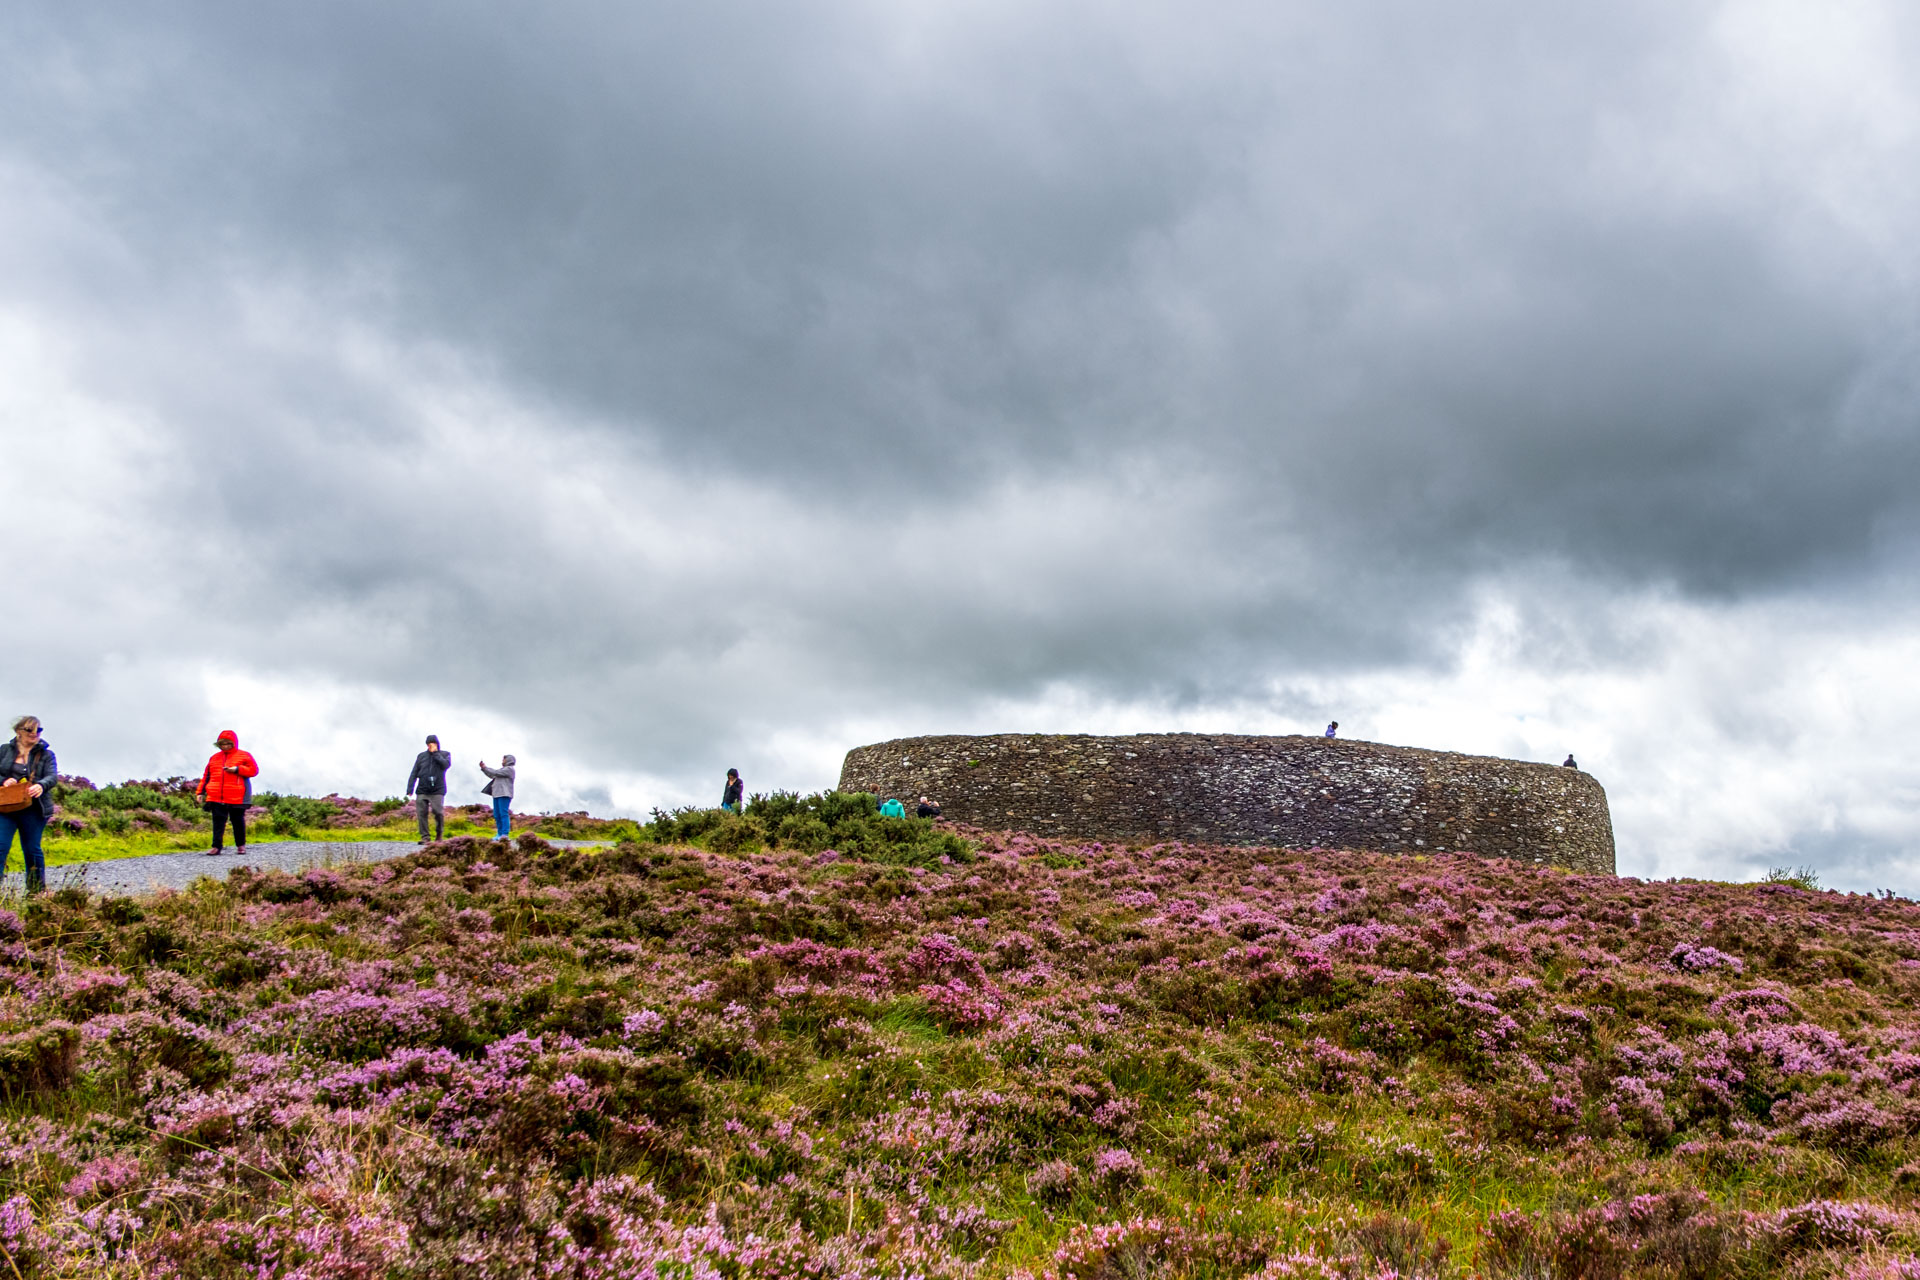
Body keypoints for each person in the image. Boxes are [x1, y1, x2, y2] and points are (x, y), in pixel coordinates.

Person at [0, 716, 57, 894]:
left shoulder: (47, 755)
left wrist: (41, 785)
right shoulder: (4, 750)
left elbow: (52, 777)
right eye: (30, 730)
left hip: (34, 809)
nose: (35, 734)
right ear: (19, 731)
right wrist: (3, 781)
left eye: (38, 730)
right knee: (0, 846)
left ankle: (36, 893)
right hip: (5, 807)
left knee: (32, 849)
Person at [195, 729, 259, 856]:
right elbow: (207, 776)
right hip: (216, 795)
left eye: (228, 744)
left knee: (237, 820)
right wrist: (200, 792)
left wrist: (237, 769)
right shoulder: (214, 758)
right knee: (218, 821)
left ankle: (241, 845)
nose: (225, 746)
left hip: (237, 795)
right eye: (222, 744)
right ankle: (216, 847)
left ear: (233, 743)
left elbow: (254, 771)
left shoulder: (244, 756)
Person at [407, 734, 453, 843]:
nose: (430, 746)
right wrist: (410, 788)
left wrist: (435, 753)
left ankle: (439, 836)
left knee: (438, 812)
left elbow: (446, 765)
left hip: (438, 790)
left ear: (437, 744)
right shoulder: (421, 756)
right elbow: (414, 772)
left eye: (432, 744)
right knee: (421, 813)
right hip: (422, 789)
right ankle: (425, 837)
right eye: (428, 744)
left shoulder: (445, 754)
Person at [480, 755, 516, 840]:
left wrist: (485, 767)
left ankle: (504, 834)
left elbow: (494, 772)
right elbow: (491, 775)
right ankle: (499, 834)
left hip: (504, 794)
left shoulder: (509, 769)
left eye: (503, 759)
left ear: (508, 760)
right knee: (497, 814)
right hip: (496, 794)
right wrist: (484, 769)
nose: (502, 761)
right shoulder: (502, 770)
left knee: (503, 814)